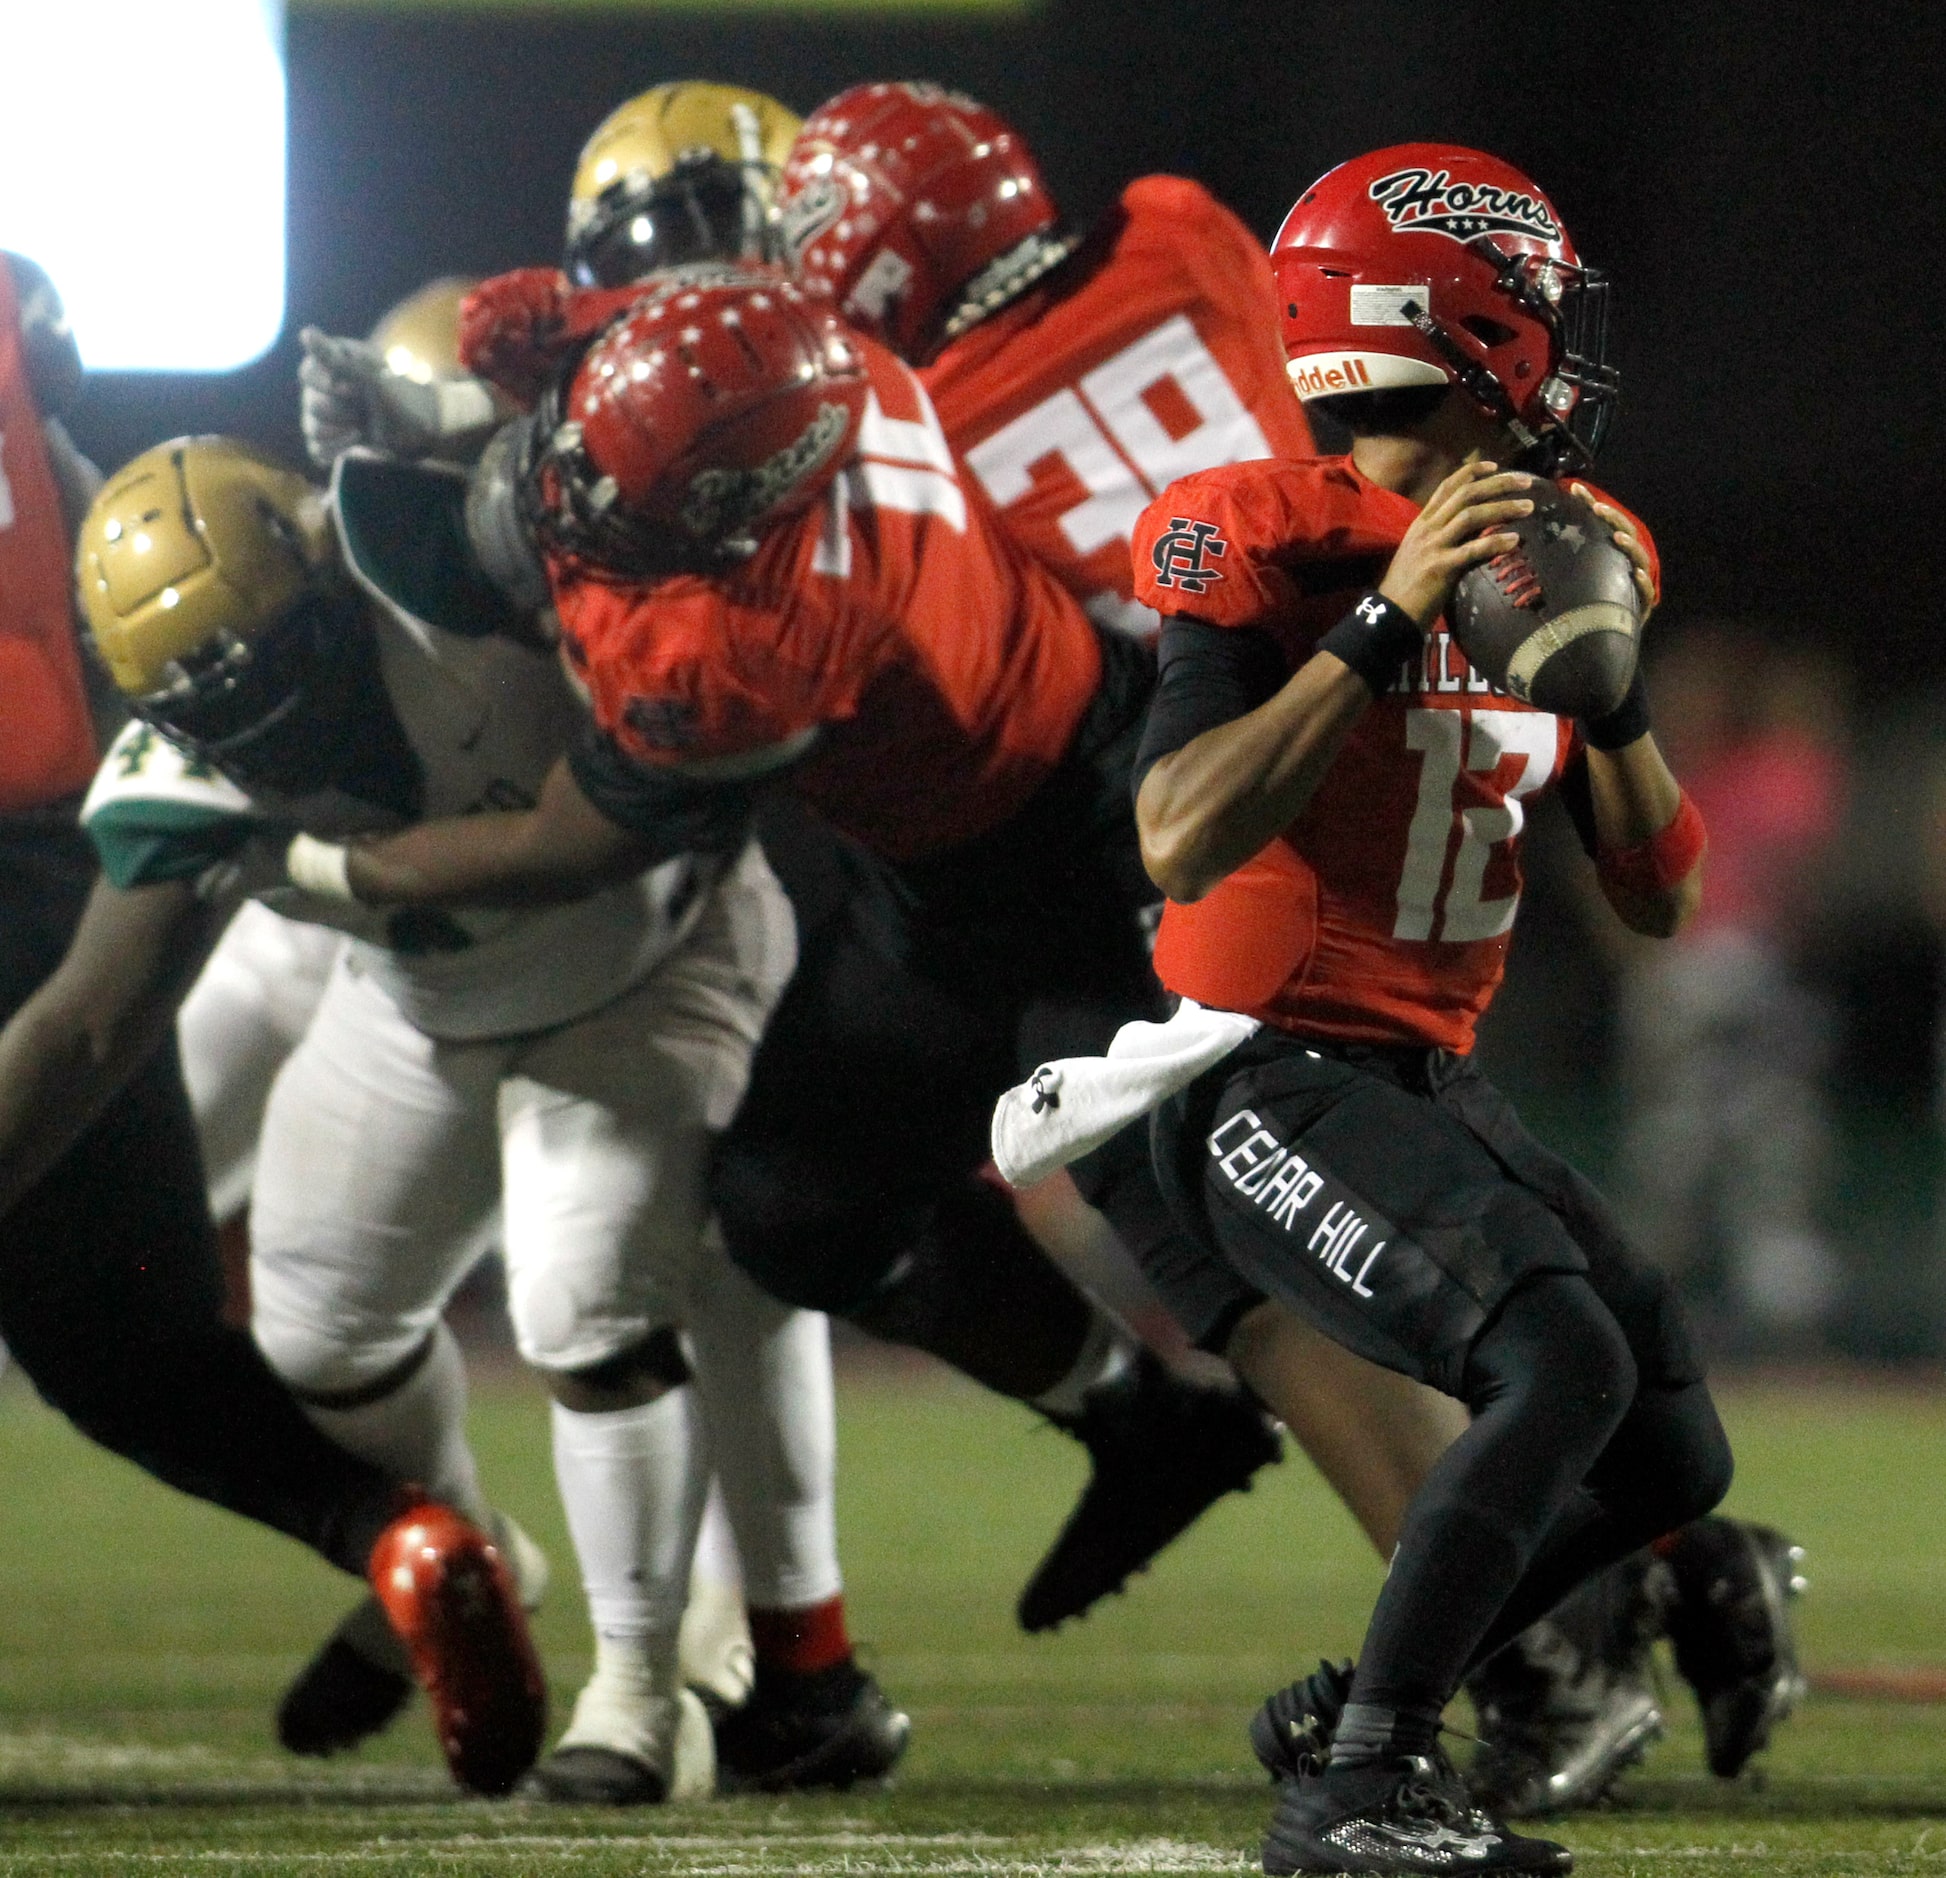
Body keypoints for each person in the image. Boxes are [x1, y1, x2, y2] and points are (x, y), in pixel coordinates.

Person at [269, 261, 1288, 1639]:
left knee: (1243, 1223)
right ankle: (1142, 1420)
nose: (562, 514)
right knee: (798, 1204)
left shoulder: (755, 633)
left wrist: (336, 867)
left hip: (1069, 853)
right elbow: (578, 337)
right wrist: (448, 394)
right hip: (946, 852)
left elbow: (580, 834)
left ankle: (1565, 1586)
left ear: (734, 527)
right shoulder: (774, 362)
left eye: (607, 523)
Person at [995, 143, 1743, 1872]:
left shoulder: (1582, 545)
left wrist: (1609, 698)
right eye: (1540, 310)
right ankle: (1360, 1783)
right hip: (1255, 1072)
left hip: (1420, 1071)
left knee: (1667, 1449)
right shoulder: (1255, 534)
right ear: (1472, 325)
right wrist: (1389, 617)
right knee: (1552, 1356)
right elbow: (1177, 833)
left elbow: (1662, 902)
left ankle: (1367, 1703)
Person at [5, 431, 903, 1803]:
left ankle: (638, 1696)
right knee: (316, 1326)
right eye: (209, 712)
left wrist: (327, 860)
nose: (255, 734)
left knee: (580, 1299)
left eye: (267, 680)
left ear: (324, 584)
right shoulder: (183, 769)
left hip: (654, 948)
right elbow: (83, 1021)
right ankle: (468, 1549)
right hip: (420, 991)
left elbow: (586, 831)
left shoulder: (458, 568)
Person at [776, 76, 1475, 1611]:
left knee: (1257, 1236)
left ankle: (1591, 1599)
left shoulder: (909, 427)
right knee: (1370, 1226)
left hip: (1177, 808)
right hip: (1385, 735)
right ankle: (1625, 1568)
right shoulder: (1174, 225)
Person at [0, 258, 545, 1799]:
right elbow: (78, 507)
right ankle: (403, 1531)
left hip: (134, 854)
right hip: (56, 865)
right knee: (136, 1356)